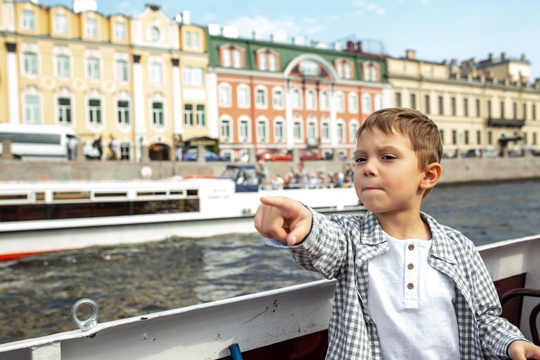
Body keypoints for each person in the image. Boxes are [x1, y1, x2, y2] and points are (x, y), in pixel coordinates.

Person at [254, 107, 540, 360]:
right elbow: (324, 241)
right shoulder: (350, 238)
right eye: (360, 159)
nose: (368, 168)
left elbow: (485, 321)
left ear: (428, 175)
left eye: (387, 157)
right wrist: (303, 222)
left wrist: (512, 343)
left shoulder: (460, 247)